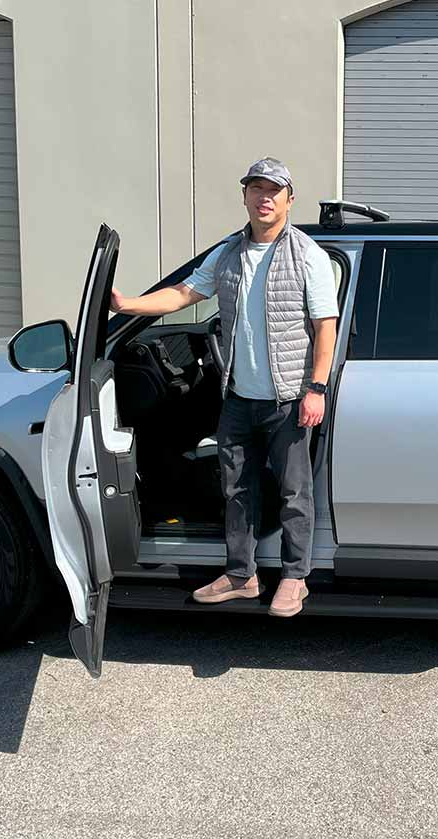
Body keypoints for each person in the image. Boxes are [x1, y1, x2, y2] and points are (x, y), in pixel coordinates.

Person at [109, 157, 338, 617]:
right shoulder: (229, 253)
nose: (264, 197)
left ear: (289, 199)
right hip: (237, 398)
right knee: (236, 490)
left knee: (295, 493)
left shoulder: (306, 254)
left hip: (287, 399)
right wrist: (125, 303)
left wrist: (316, 388)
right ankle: (241, 576)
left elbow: (325, 326)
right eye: (256, 188)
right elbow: (183, 293)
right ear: (246, 197)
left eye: (273, 189)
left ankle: (295, 579)